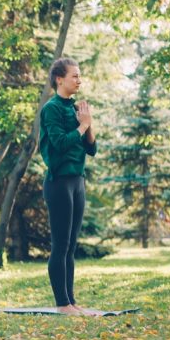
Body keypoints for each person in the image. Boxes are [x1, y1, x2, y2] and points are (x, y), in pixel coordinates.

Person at [39, 57, 99, 316]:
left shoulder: (76, 108)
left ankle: (71, 301)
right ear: (59, 79)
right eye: (75, 76)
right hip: (59, 182)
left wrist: (89, 124)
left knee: (71, 246)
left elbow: (91, 149)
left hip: (78, 181)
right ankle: (62, 304)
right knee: (60, 244)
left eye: (80, 75)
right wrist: (82, 125)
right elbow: (60, 143)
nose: (79, 80)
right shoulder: (51, 109)